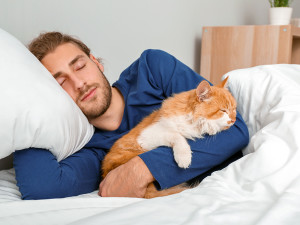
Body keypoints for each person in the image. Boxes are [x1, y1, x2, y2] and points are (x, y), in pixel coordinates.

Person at [13, 32, 249, 200]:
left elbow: (236, 130)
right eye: (61, 81)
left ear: (96, 62)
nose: (79, 83)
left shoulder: (152, 70)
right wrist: (30, 96)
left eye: (79, 66)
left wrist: (144, 167)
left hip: (243, 184)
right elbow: (40, 187)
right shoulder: (89, 149)